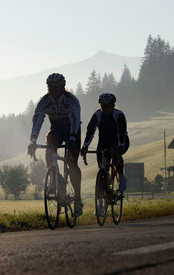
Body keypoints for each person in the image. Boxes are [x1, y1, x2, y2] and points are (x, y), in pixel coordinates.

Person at [27, 73, 83, 217]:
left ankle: (77, 199)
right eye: (49, 87)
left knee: (72, 162)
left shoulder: (71, 100)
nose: (52, 89)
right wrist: (33, 140)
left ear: (62, 87)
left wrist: (72, 137)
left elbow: (76, 120)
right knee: (49, 145)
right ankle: (53, 177)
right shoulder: (45, 101)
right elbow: (38, 120)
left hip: (72, 128)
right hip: (56, 129)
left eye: (55, 87)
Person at [80, 93, 129, 191]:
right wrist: (85, 146)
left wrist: (120, 145)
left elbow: (122, 131)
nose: (105, 108)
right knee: (102, 165)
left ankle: (121, 176)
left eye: (108, 106)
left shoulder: (119, 115)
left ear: (113, 106)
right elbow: (90, 131)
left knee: (115, 154)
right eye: (103, 106)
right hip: (104, 141)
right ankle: (104, 183)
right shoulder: (97, 115)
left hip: (120, 140)